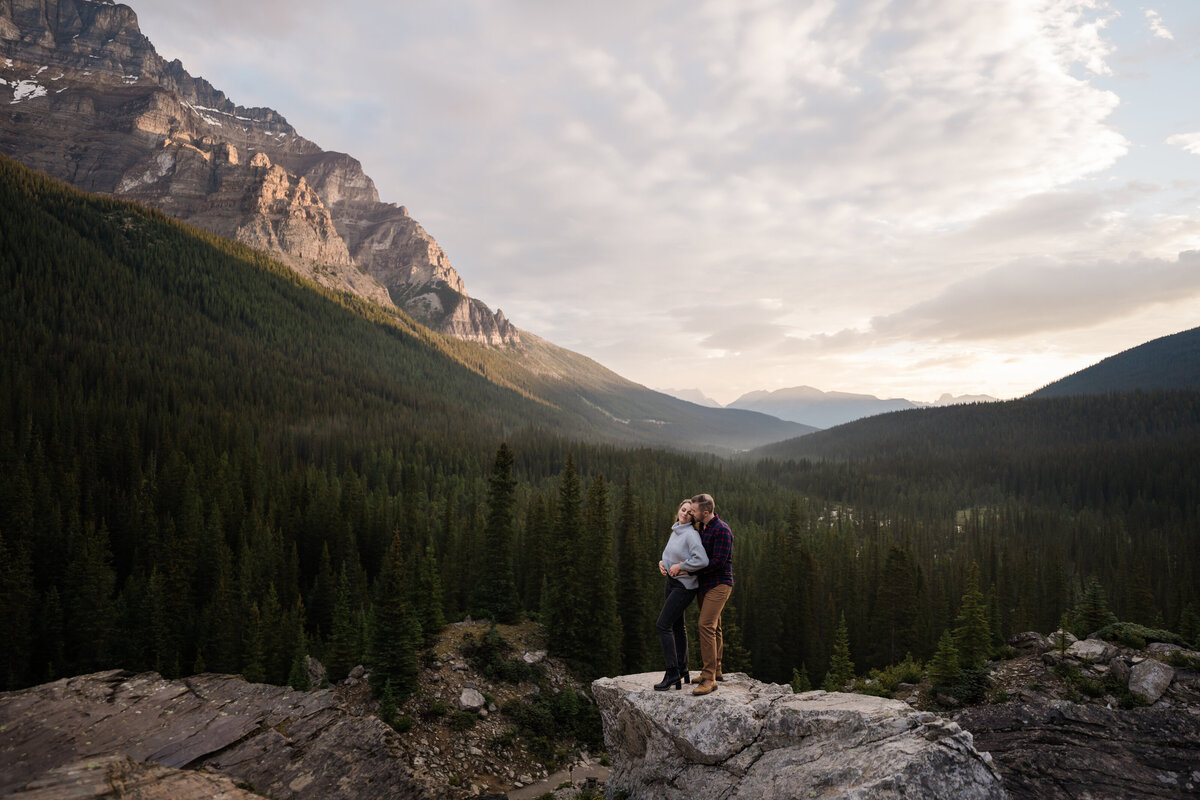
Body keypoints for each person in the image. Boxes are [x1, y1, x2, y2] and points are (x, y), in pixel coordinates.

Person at [653, 499, 709, 691]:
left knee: (663, 625)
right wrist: (664, 563)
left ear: (693, 518)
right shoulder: (677, 530)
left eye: (689, 513)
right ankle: (683, 668)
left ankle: (672, 672)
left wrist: (681, 567)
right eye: (683, 510)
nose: (684, 513)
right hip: (672, 583)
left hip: (684, 587)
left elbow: (702, 560)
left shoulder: (691, 535)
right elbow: (672, 553)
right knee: (677, 626)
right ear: (678, 510)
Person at [690, 493, 732, 695]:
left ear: (705, 512)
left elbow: (718, 563)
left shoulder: (722, 530)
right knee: (715, 628)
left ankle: (709, 678)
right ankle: (717, 669)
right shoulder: (704, 528)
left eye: (695, 510)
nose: (692, 512)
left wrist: (691, 570)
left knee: (705, 625)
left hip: (720, 584)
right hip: (705, 585)